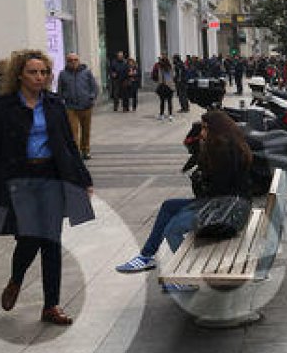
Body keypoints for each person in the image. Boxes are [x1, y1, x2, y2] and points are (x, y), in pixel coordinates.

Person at [0, 49, 94, 326]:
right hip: (19, 180)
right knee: (29, 238)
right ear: (19, 75)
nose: (40, 77)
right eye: (33, 72)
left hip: (50, 176)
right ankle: (16, 280)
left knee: (52, 241)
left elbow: (68, 145)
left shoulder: (53, 104)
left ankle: (51, 305)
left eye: (44, 72)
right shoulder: (2, 106)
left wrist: (83, 179)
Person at [114, 111, 252, 291]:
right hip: (223, 206)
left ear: (216, 130)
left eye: (204, 128)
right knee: (168, 206)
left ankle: (188, 276)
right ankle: (146, 257)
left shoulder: (224, 151)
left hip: (227, 214)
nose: (202, 132)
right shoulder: (226, 146)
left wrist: (201, 175)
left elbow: (215, 190)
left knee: (173, 228)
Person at [58, 53, 100, 160]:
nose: (73, 62)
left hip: (86, 106)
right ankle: (75, 152)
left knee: (86, 130)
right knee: (73, 131)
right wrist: (63, 100)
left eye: (75, 60)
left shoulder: (86, 73)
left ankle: (85, 150)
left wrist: (91, 97)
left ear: (79, 61)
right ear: (67, 62)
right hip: (71, 107)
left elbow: (94, 87)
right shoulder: (63, 74)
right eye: (70, 60)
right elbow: (60, 90)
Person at [153, 55, 176, 121]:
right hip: (170, 86)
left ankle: (162, 115)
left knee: (162, 101)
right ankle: (170, 115)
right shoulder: (171, 67)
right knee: (169, 102)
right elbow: (173, 76)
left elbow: (160, 78)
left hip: (163, 86)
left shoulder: (160, 68)